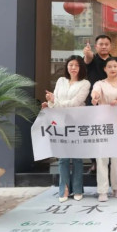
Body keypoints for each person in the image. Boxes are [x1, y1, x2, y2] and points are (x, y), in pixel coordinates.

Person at [42, 55, 90, 203]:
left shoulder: (85, 83)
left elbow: (76, 103)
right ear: (67, 67)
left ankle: (77, 189)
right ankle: (64, 189)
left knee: (77, 158)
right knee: (63, 158)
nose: (73, 68)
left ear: (81, 67)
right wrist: (51, 102)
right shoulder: (61, 80)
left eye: (76, 65)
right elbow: (55, 102)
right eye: (71, 65)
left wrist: (56, 102)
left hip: (77, 122)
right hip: (60, 122)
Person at [83, 35, 117, 174]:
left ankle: (114, 161)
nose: (104, 46)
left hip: (113, 102)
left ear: (111, 46)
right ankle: (95, 162)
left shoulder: (116, 61)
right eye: (101, 44)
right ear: (96, 46)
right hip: (95, 100)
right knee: (95, 132)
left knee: (112, 131)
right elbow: (87, 58)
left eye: (106, 44)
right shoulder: (92, 59)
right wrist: (87, 53)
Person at [90, 57, 117, 202]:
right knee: (102, 158)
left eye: (115, 66)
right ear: (105, 69)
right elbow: (95, 93)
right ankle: (102, 190)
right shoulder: (100, 83)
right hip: (103, 125)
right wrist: (95, 97)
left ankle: (116, 187)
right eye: (109, 66)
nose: (112, 69)